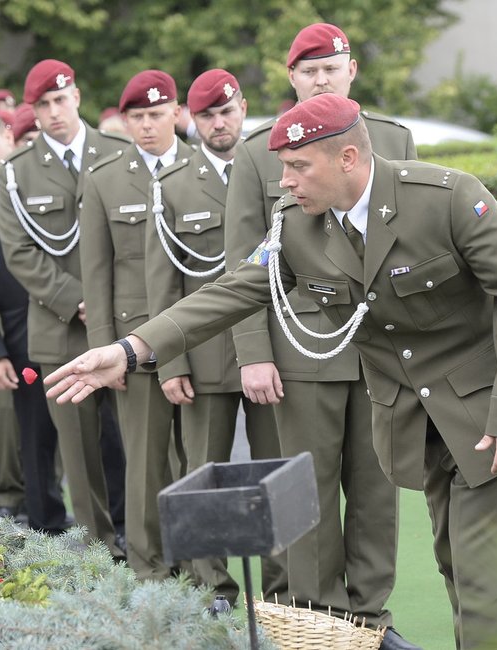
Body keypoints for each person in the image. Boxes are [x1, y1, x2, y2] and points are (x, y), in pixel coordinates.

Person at [47, 93, 497, 650]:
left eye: (297, 167)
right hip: (418, 418)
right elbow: (234, 291)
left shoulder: (446, 197)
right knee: (456, 562)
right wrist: (131, 348)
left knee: (487, 580)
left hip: (488, 410)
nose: (284, 181)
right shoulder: (297, 226)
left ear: (348, 159)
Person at [224, 23, 417, 647]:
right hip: (303, 345)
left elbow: (408, 244)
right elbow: (243, 264)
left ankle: (369, 619)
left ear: (351, 70)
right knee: (307, 490)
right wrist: (252, 353)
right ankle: (314, 621)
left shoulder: (390, 139)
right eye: (308, 70)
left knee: (377, 487)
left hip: (383, 349)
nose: (321, 77)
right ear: (292, 79)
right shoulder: (258, 153)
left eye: (331, 67)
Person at [143, 68, 285, 601]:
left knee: (274, 470)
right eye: (206, 115)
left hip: (272, 350)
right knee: (203, 472)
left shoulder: (280, 170)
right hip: (200, 356)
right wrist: (170, 362)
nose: (218, 123)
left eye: (226, 111)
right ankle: (214, 590)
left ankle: (281, 588)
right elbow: (163, 284)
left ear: (244, 108)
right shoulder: (173, 187)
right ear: (189, 119)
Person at [0, 59, 128, 557]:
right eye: (42, 105)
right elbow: (19, 253)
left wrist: (110, 303)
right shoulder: (16, 171)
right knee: (79, 449)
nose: (54, 112)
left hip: (123, 324)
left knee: (137, 440)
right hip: (61, 326)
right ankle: (101, 549)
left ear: (76, 96)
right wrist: (78, 299)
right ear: (33, 111)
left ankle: (146, 541)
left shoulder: (119, 153)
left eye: (60, 99)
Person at [79, 69, 193, 581]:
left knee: (197, 460)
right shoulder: (104, 178)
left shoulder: (204, 168)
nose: (147, 125)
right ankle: (149, 570)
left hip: (195, 334)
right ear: (124, 122)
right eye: (137, 117)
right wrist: (107, 351)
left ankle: (199, 569)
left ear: (177, 111)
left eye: (156, 113)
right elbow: (96, 272)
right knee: (144, 463)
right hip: (132, 340)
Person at [0, 110, 70, 531]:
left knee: (101, 430)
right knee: (35, 433)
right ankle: (46, 525)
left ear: (8, 135)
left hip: (75, 317)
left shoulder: (50, 182)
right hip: (21, 333)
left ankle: (115, 526)